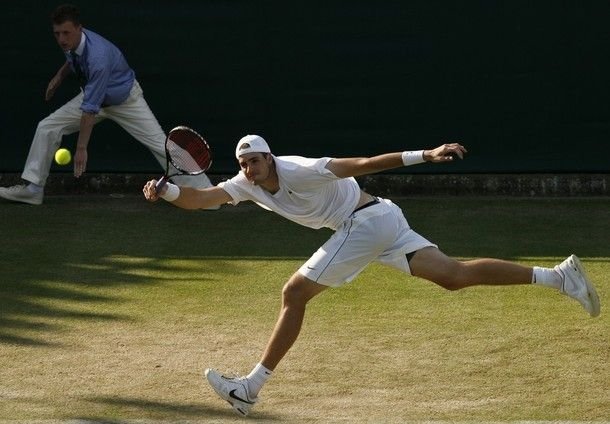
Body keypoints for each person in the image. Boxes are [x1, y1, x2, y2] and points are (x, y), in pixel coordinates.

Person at [142, 134, 601, 417]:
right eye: (243, 163)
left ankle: (249, 388)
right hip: (379, 221)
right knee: (454, 275)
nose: (249, 169)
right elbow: (200, 200)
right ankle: (560, 277)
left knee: (294, 293)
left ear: (270, 158)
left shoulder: (301, 169)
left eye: (255, 161)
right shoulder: (245, 185)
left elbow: (363, 165)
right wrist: (168, 192)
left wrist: (426, 154)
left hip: (365, 222)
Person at [0, 4, 213, 206]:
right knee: (47, 127)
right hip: (95, 97)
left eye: (66, 33)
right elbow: (72, 59)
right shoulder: (72, 42)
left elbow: (89, 111)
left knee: (161, 144)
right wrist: (59, 76)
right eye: (57, 34)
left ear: (79, 29)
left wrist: (81, 148)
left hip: (126, 101)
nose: (62, 39)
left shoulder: (98, 58)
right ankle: (34, 189)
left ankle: (206, 194)